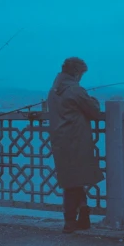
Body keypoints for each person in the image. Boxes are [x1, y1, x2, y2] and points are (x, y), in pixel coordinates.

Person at [47, 57, 104, 234]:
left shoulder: (53, 91)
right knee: (73, 181)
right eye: (81, 74)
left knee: (70, 179)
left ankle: (82, 214)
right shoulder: (75, 90)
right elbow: (94, 112)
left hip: (59, 139)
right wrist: (93, 99)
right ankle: (71, 221)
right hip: (76, 140)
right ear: (77, 73)